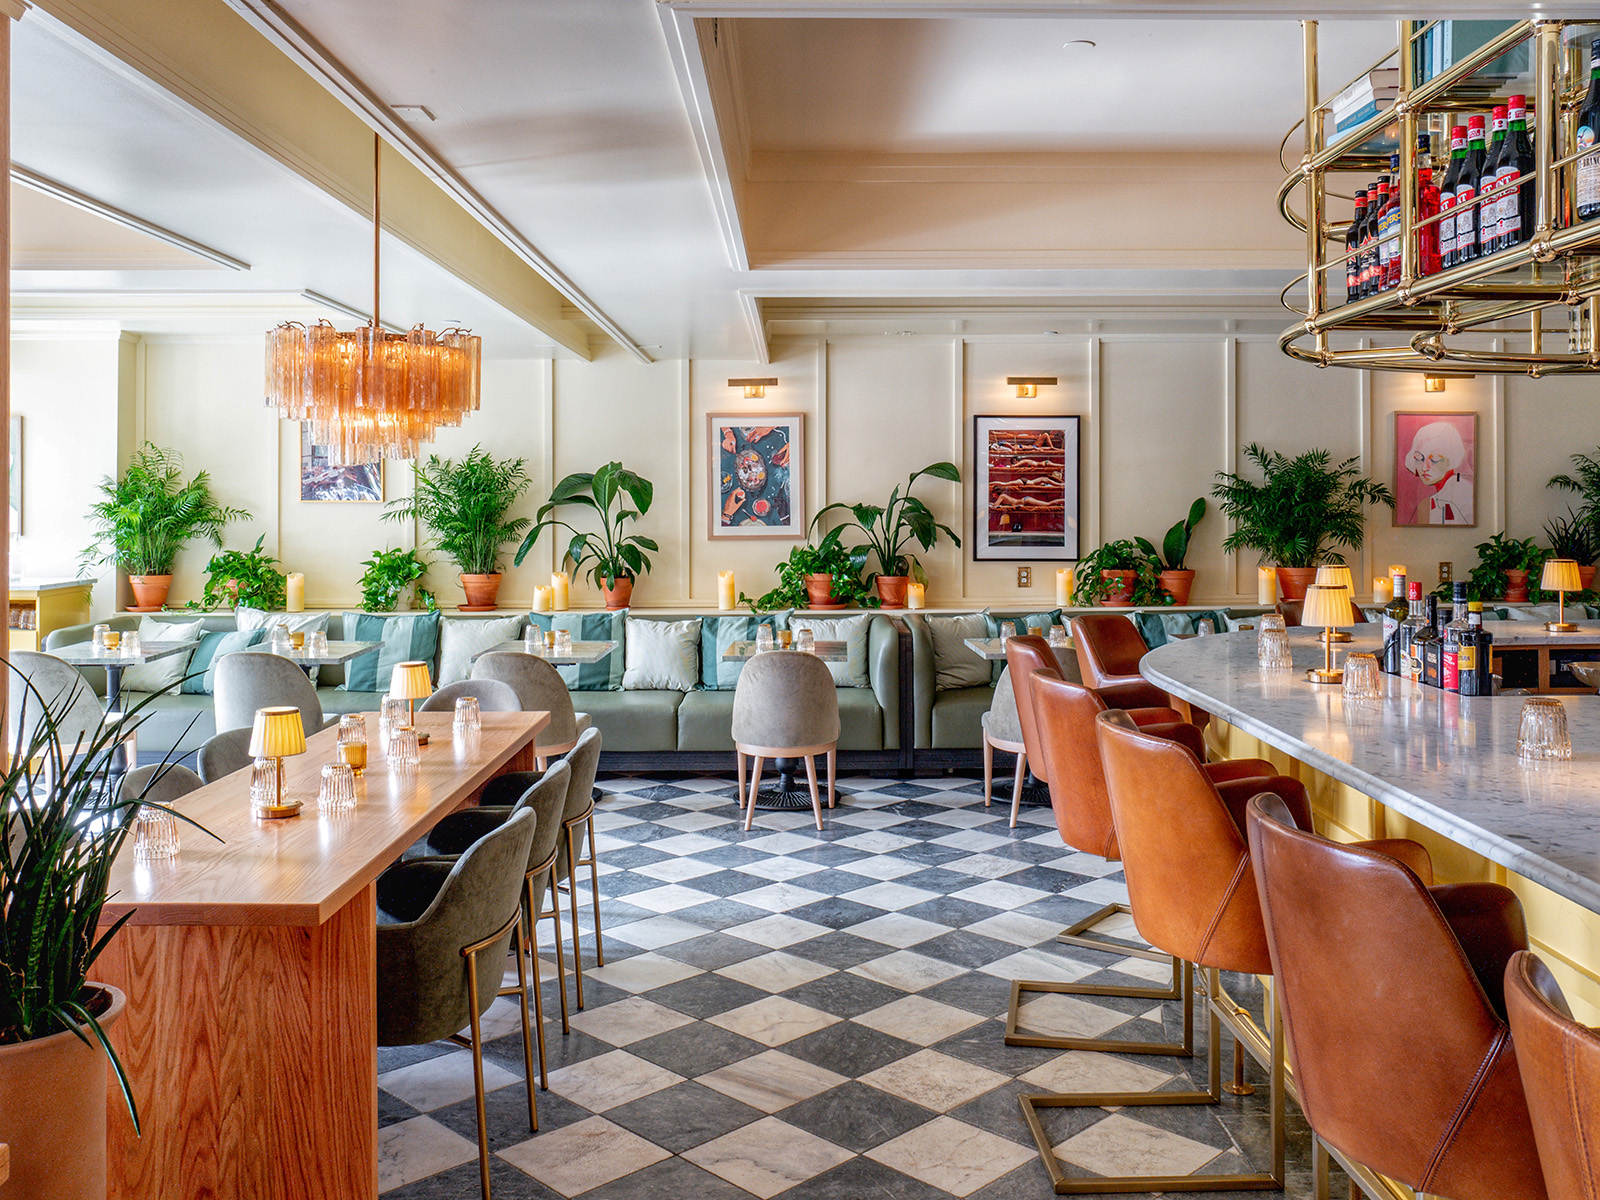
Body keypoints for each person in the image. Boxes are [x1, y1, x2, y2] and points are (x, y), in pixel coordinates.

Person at [1405, 420, 1474, 525]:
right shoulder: (1429, 502)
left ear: (1451, 458)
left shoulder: (1463, 493)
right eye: (1419, 458)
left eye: (1435, 459)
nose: (1424, 467)